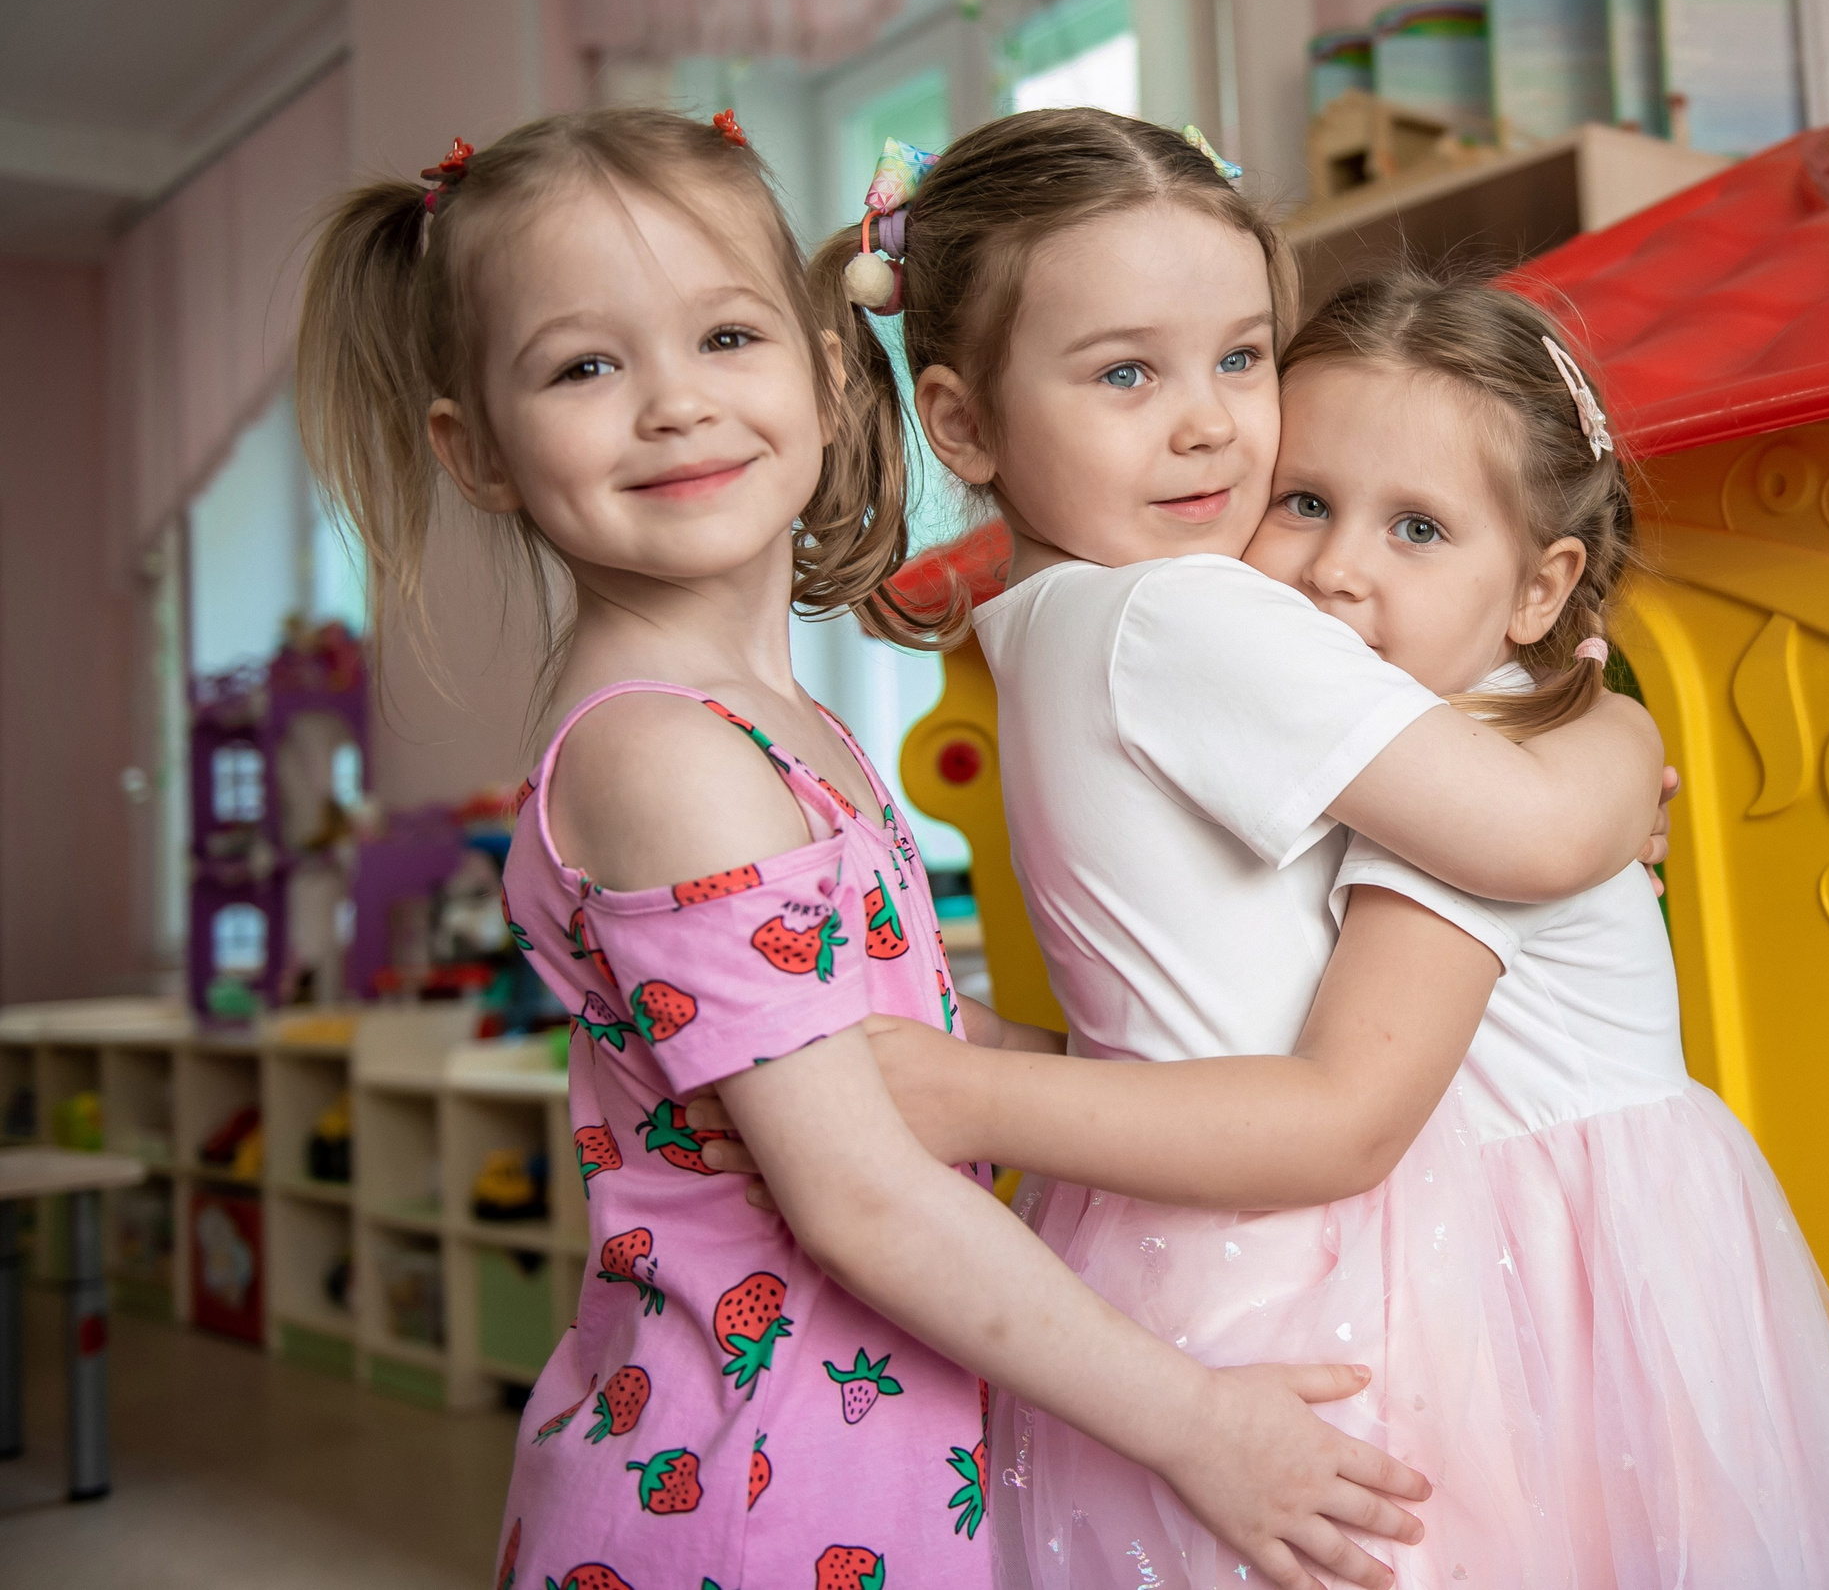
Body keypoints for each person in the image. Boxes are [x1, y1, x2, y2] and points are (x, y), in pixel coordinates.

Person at [292, 106, 1434, 1590]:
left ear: (830, 375)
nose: (675, 406)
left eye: (725, 338)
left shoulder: (775, 721)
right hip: (761, 1492)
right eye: (586, 365)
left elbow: (892, 1051)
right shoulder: (665, 757)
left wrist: (1126, 1076)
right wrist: (1199, 1421)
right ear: (479, 450)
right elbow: (861, 1190)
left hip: (857, 1461)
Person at [698, 114, 1735, 1589]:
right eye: (1128, 371)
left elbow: (1174, 1025)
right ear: (965, 423)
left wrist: (992, 1070)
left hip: (1153, 1255)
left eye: (1242, 358)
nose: (1207, 424)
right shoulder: (1191, 615)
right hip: (1294, 1274)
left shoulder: (1049, 628)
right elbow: (1536, 831)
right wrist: (1619, 744)